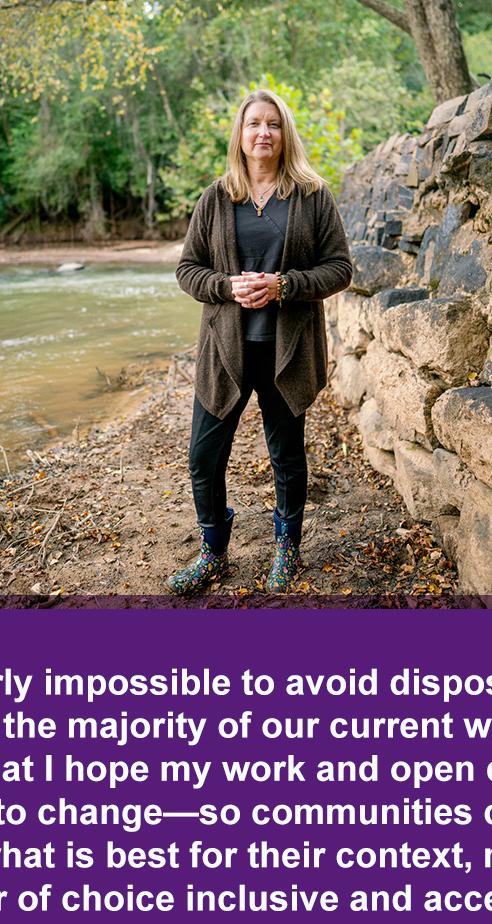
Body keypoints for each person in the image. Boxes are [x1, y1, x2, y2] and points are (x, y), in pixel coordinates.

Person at [167, 88, 352, 596]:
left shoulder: (313, 196)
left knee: (287, 456)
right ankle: (212, 552)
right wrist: (226, 287)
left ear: (284, 132)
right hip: (225, 350)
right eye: (254, 125)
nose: (263, 133)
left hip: (286, 350)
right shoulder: (216, 197)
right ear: (241, 135)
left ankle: (287, 549)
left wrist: (283, 285)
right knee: (204, 455)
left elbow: (340, 268)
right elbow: (188, 270)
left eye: (273, 124)